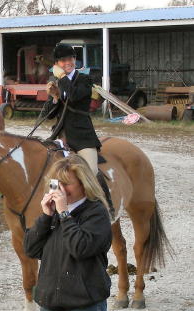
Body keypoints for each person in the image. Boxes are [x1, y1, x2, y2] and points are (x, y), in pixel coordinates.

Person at [24, 155, 112, 311]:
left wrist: (64, 214)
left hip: (83, 308)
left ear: (84, 183)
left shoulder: (96, 213)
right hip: (51, 307)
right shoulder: (52, 215)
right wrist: (45, 217)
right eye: (57, 184)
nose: (61, 190)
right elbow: (30, 249)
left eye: (68, 184)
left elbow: (81, 248)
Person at [45, 43, 114, 216]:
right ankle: (53, 206)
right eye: (62, 60)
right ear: (57, 63)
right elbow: (48, 115)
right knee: (53, 171)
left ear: (75, 60)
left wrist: (61, 79)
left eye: (70, 58)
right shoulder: (56, 82)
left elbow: (74, 96)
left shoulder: (85, 79)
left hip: (83, 135)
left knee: (91, 171)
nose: (67, 62)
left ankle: (106, 208)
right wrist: (54, 98)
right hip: (61, 135)